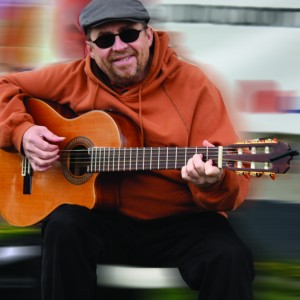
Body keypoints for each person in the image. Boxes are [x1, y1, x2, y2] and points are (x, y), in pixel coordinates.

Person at [0, 0, 255, 299]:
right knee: (64, 226)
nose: (119, 46)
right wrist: (23, 132)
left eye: (129, 34)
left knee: (230, 256)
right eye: (105, 39)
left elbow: (233, 185)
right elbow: (5, 85)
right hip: (105, 220)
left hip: (180, 223)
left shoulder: (194, 85)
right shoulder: (72, 77)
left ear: (148, 35)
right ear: (90, 49)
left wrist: (213, 182)